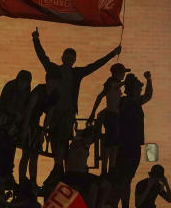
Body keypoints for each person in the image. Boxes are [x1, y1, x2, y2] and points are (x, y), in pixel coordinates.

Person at [30, 27, 120, 168]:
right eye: (68, 56)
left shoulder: (76, 73)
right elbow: (43, 57)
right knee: (55, 138)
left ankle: (61, 167)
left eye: (72, 57)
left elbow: (95, 65)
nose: (69, 59)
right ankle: (58, 166)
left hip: (68, 112)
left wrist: (112, 54)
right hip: (55, 110)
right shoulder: (55, 69)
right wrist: (35, 40)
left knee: (63, 140)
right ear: (63, 57)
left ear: (74, 60)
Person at [115, 70, 153, 208]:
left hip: (133, 144)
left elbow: (148, 95)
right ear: (133, 89)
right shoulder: (126, 102)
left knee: (126, 179)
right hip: (126, 145)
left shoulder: (134, 102)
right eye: (139, 87)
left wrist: (149, 79)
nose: (141, 89)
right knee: (123, 179)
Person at [18, 71, 59, 190]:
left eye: (55, 81)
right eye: (51, 80)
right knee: (26, 153)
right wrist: (25, 127)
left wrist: (43, 132)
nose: (52, 83)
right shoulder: (39, 90)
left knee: (35, 154)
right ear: (47, 79)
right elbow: (29, 108)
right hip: (28, 121)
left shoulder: (55, 95)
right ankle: (21, 180)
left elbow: (49, 115)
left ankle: (32, 181)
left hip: (36, 123)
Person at [87, 62, 129, 175]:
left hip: (115, 116)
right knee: (110, 144)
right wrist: (92, 113)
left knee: (114, 144)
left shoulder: (114, 83)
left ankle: (111, 168)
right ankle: (106, 169)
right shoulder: (111, 82)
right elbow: (101, 96)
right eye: (122, 73)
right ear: (117, 73)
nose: (123, 75)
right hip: (111, 116)